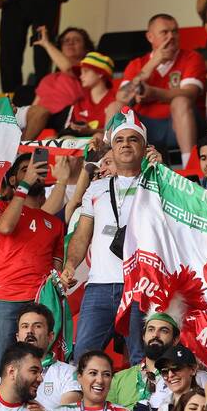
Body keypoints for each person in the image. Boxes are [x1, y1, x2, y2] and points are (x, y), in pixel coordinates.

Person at [62, 108, 148, 364]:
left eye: (133, 139)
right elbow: (82, 235)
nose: (125, 145)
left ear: (144, 147)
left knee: (139, 359)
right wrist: (70, 265)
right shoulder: (96, 188)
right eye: (119, 140)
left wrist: (161, 169)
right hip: (98, 285)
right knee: (83, 357)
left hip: (139, 286)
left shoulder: (156, 184)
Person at [0, 153, 65, 379]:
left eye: (37, 169)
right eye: (25, 170)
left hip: (40, 301)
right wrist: (25, 184)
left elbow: (56, 265)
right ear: (12, 180)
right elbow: (6, 226)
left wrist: (63, 277)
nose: (32, 173)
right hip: (4, 298)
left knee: (41, 364)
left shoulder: (55, 223)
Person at [118, 14, 206, 162]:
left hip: (179, 124)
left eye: (175, 31)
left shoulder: (191, 57)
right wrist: (152, 64)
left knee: (181, 101)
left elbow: (190, 93)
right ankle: (109, 164)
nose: (171, 36)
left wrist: (154, 93)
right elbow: (121, 97)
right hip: (144, 126)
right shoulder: (137, 64)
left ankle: (189, 166)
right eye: (165, 32)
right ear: (150, 37)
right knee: (115, 107)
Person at [8, 303, 81, 411]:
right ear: (17, 337)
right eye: (25, 326)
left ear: (50, 336)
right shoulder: (8, 374)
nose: (30, 331)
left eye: (37, 326)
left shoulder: (69, 373)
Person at [66, 51, 117, 133]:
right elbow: (67, 130)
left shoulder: (116, 100)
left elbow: (117, 133)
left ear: (100, 73)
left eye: (85, 71)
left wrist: (90, 131)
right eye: (81, 72)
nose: (81, 76)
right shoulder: (78, 102)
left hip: (103, 141)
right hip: (76, 140)